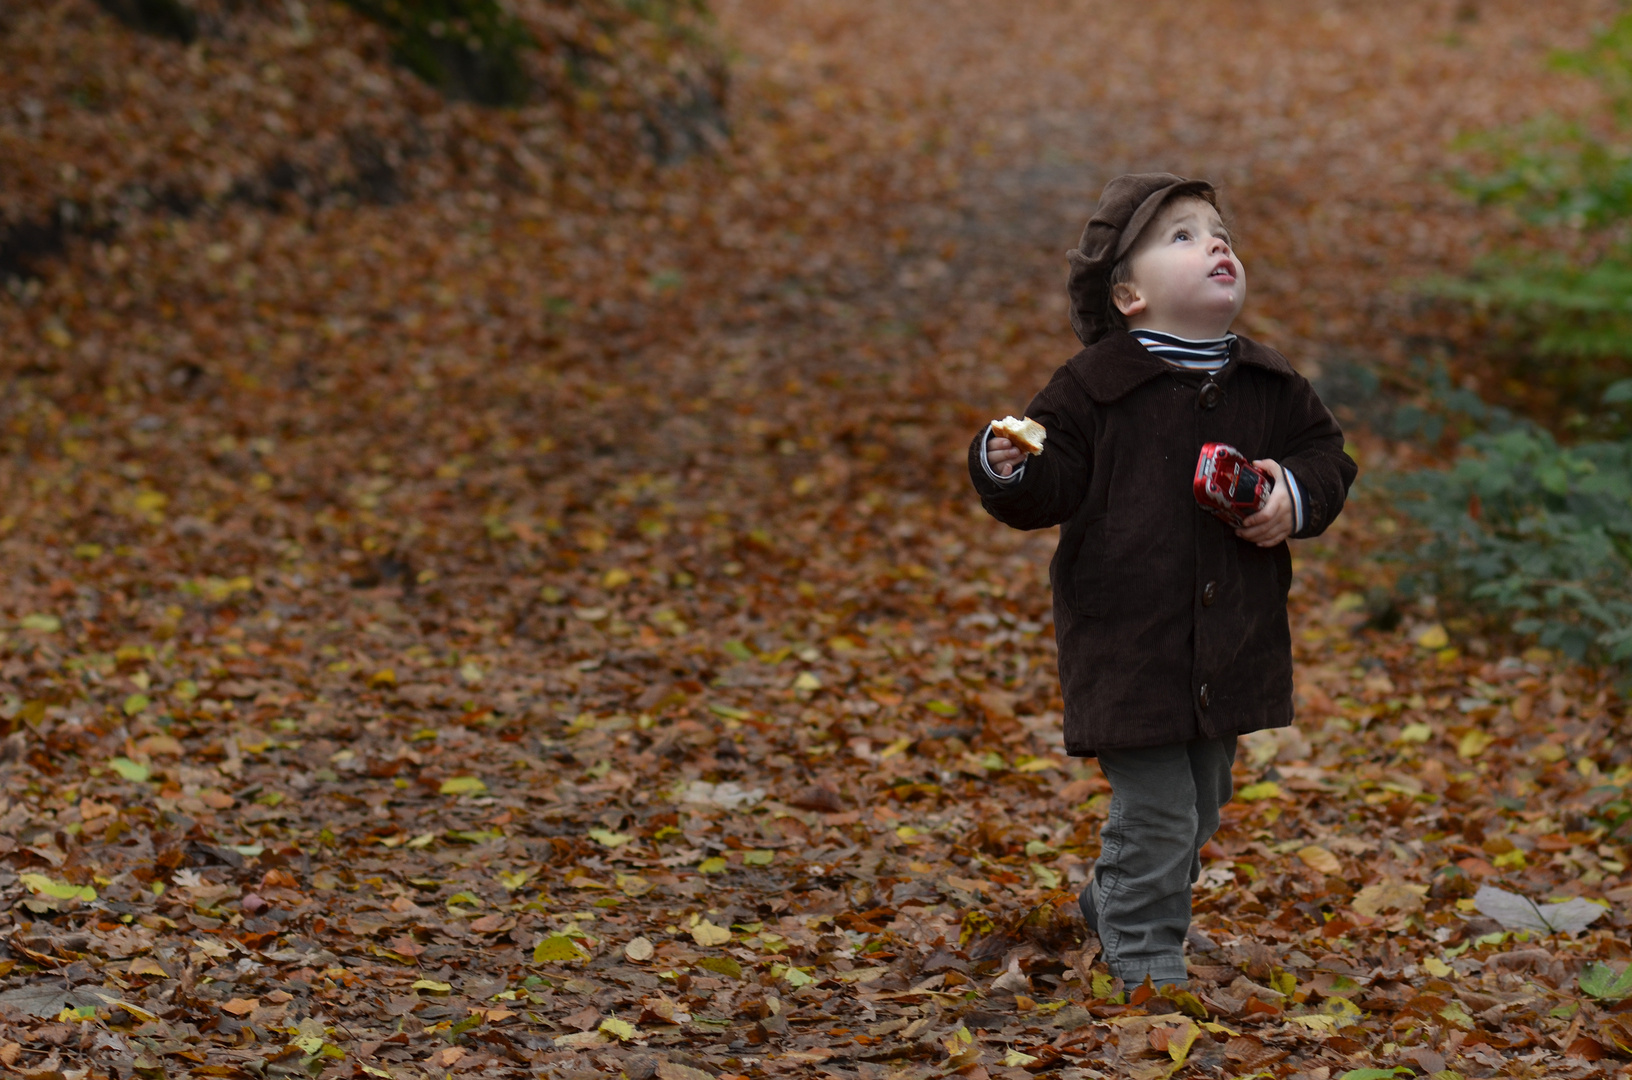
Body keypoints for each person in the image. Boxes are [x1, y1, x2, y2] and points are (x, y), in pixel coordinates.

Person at [968, 173, 1357, 989]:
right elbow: (1051, 485)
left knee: (1204, 799)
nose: (1215, 244)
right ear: (1129, 293)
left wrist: (1288, 495)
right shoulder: (1094, 387)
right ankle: (1143, 946)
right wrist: (1004, 467)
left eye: (1219, 233)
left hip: (1231, 639)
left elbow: (1329, 459)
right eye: (1181, 236)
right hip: (1128, 636)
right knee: (1157, 806)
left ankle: (1114, 896)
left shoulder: (1268, 381)